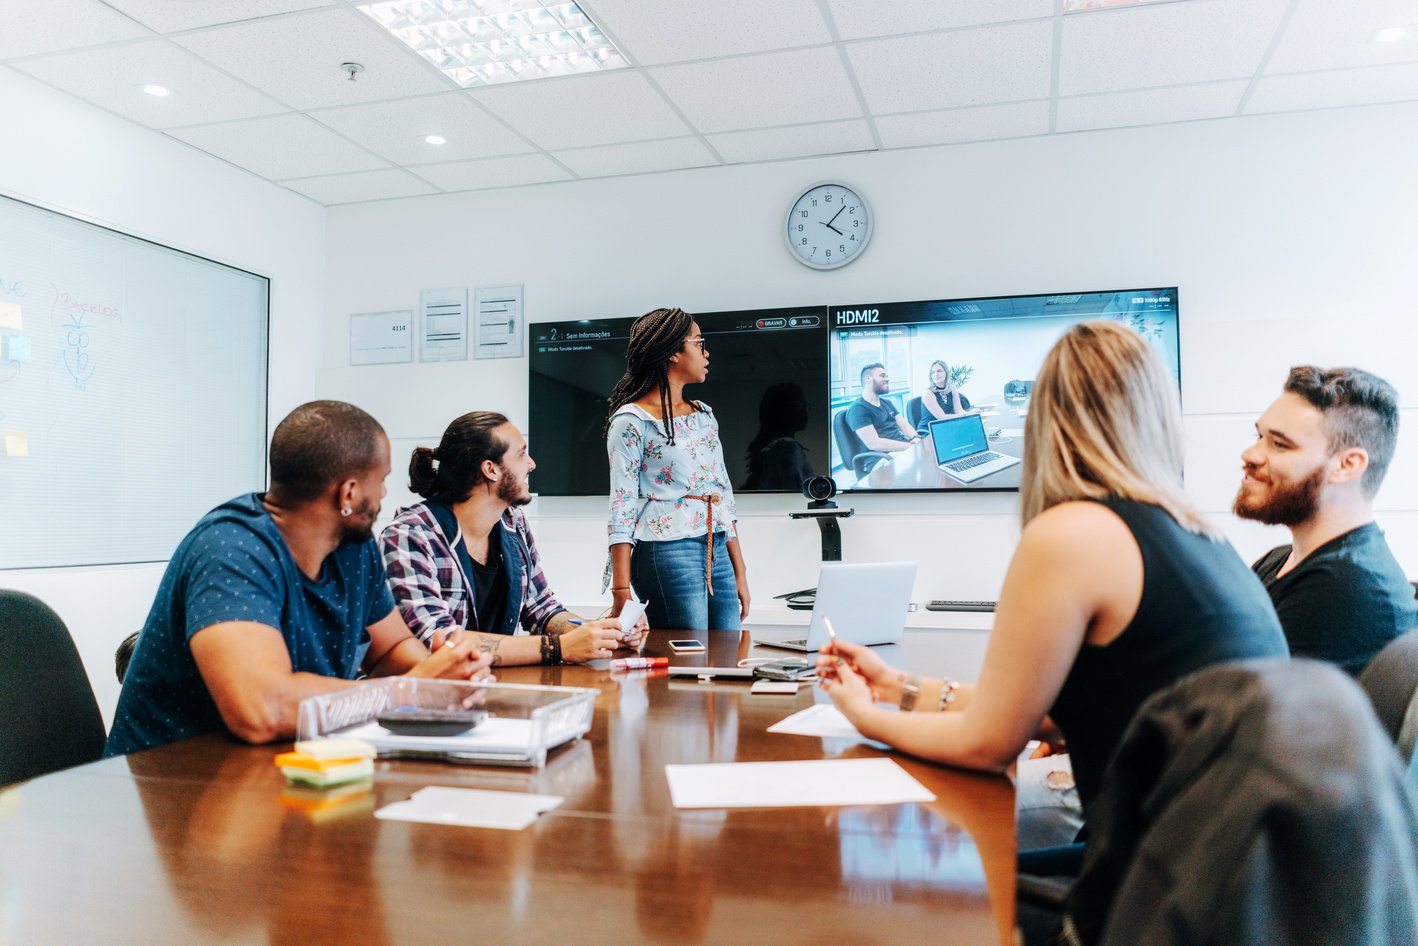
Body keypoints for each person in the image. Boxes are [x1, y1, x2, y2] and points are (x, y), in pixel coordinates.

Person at [815, 322, 1287, 858]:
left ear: (1047, 419)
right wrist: (895, 686)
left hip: (1156, 886)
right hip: (1227, 867)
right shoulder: (1195, 531)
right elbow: (1045, 715)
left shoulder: (1074, 534)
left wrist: (860, 715)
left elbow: (988, 744)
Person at [105, 401, 492, 756]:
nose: (385, 492)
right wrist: (412, 689)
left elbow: (391, 650)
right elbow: (262, 710)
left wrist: (441, 674)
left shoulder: (354, 548)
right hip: (168, 786)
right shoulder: (230, 549)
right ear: (350, 492)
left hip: (276, 773)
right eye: (382, 480)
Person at [381, 411, 640, 666]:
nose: (531, 464)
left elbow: (542, 609)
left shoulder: (512, 522)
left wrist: (603, 634)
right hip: (436, 698)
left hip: (493, 688)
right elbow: (438, 641)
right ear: (490, 469)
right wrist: (556, 648)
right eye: (521, 454)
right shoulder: (410, 535)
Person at [1234, 366, 1415, 675]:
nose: (1250, 454)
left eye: (1279, 444)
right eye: (1259, 436)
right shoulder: (1279, 560)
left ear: (1346, 465)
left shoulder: (1345, 590)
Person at [605, 307, 750, 631]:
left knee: (727, 656)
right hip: (666, 549)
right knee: (687, 660)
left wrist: (740, 571)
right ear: (673, 353)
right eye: (699, 344)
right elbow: (622, 504)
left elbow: (722, 494)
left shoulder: (703, 415)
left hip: (716, 545)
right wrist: (620, 588)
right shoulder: (631, 421)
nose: (706, 353)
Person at [743, 381, 813, 491]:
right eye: (796, 404)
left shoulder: (771, 448)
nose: (805, 411)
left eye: (806, 405)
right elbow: (796, 497)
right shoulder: (787, 448)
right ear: (778, 410)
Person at [846, 362, 919, 453]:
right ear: (868, 378)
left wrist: (916, 438)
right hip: (882, 457)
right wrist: (911, 447)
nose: (887, 379)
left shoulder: (887, 403)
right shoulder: (858, 409)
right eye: (882, 376)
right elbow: (875, 444)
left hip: (901, 449)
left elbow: (904, 426)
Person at [919, 359, 975, 428]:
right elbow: (941, 417)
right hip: (929, 430)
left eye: (939, 371)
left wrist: (972, 414)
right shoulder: (928, 393)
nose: (936, 374)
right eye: (933, 372)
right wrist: (967, 415)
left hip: (946, 425)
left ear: (946, 373)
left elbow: (959, 410)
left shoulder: (952, 389)